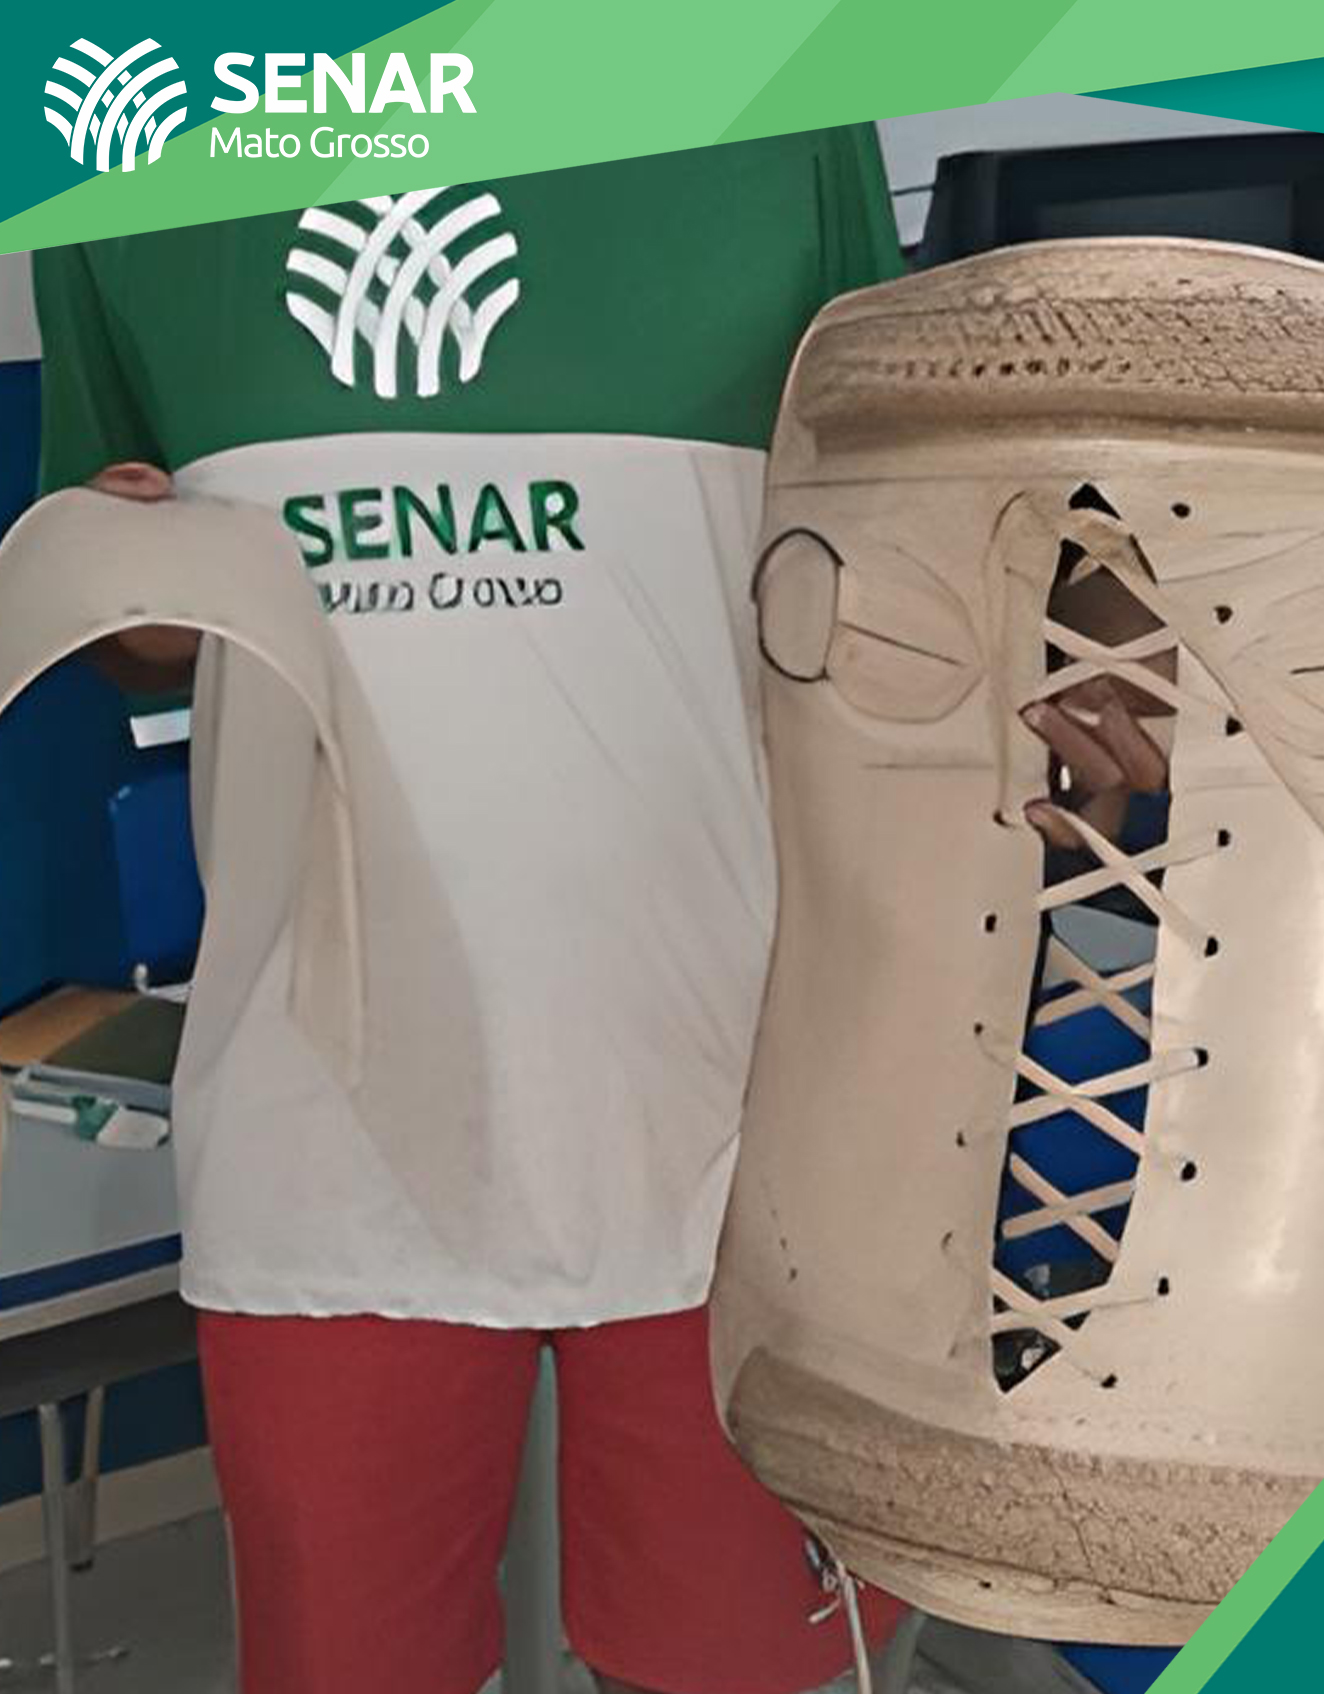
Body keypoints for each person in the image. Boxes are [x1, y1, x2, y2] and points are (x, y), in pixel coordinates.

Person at [33, 136, 1156, 1694]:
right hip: (322, 1123)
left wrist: (1084, 628)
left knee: (742, 1667)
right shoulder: (138, 138)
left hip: (734, 1104)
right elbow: (129, 600)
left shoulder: (767, 108)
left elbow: (907, 499)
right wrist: (132, 584)